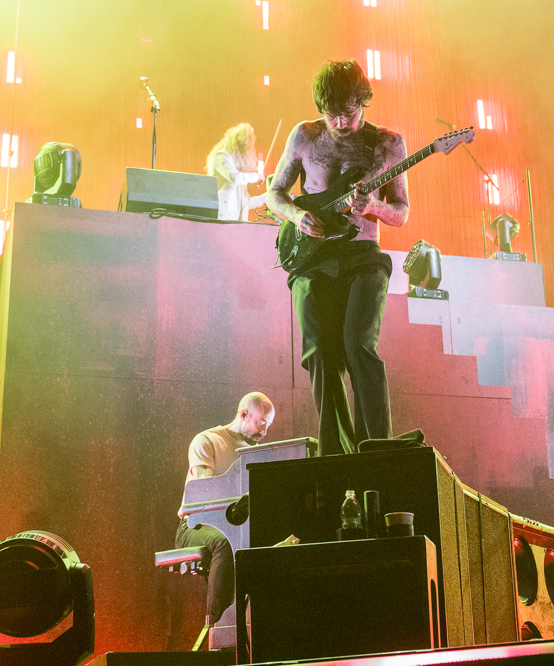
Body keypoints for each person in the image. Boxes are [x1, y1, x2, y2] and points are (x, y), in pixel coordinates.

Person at [266, 59, 410, 456]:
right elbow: (274, 193)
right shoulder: (305, 135)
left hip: (363, 255)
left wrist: (374, 208)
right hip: (312, 258)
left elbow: (401, 211)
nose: (341, 123)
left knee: (358, 344)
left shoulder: (387, 144)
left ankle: (375, 451)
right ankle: (337, 453)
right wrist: (297, 215)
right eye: (331, 115)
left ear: (362, 101)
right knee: (319, 353)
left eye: (349, 113)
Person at [175, 392, 275, 624]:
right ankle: (219, 624)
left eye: (268, 425)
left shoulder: (253, 453)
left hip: (235, 526)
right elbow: (205, 498)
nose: (264, 432)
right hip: (194, 526)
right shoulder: (207, 441)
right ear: (243, 414)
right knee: (225, 543)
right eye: (261, 423)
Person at [206, 123, 267, 221]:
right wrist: (257, 176)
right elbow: (234, 177)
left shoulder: (240, 171)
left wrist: (267, 197)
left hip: (234, 223)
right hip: (221, 219)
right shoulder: (221, 156)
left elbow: (246, 203)